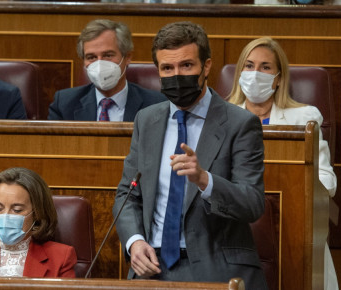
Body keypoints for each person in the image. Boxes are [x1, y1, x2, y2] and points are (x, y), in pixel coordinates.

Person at [113, 22, 268, 289]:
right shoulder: (147, 120)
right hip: (153, 268)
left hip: (216, 268)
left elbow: (252, 203)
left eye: (186, 66)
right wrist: (135, 241)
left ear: (206, 66)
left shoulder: (239, 123)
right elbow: (128, 194)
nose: (177, 75)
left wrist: (204, 180)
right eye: (167, 68)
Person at [228, 36, 338, 290]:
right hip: (237, 223)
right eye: (249, 65)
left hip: (290, 224)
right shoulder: (220, 117)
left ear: (278, 78)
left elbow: (327, 180)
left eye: (265, 67)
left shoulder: (304, 119)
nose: (255, 74)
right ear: (239, 74)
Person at [48, 19, 166, 121]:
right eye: (91, 57)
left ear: (127, 57)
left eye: (108, 55)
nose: (99, 63)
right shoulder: (64, 103)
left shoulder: (156, 104)